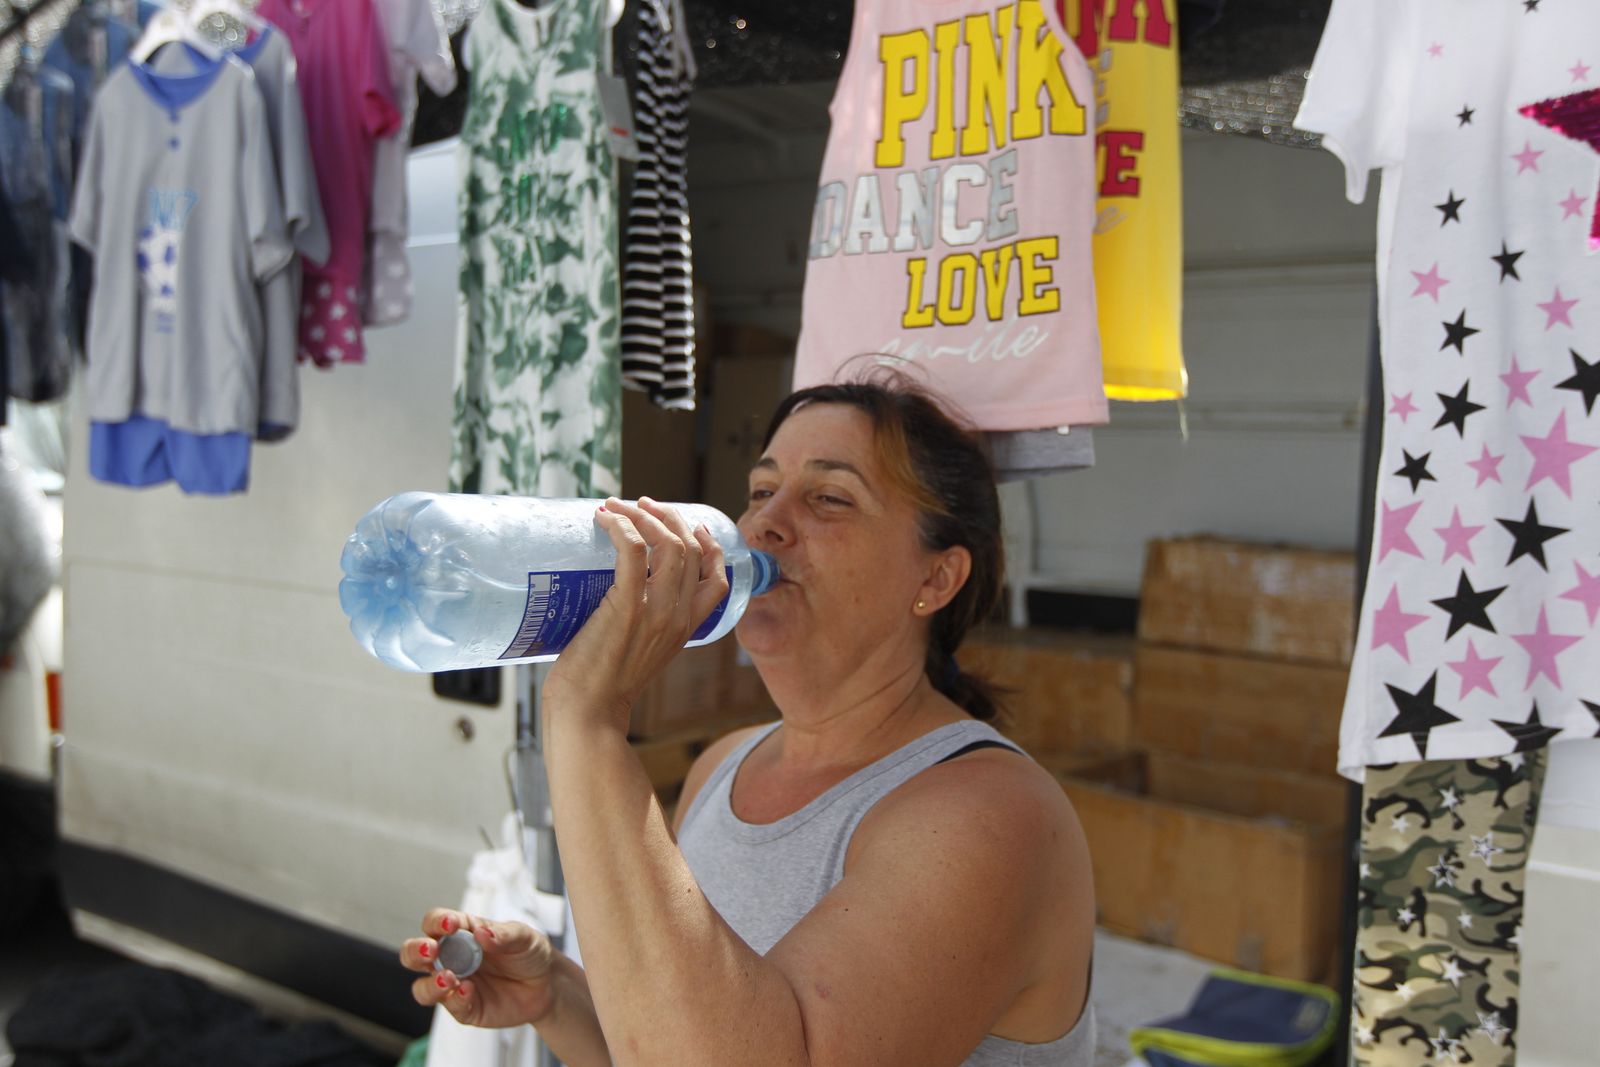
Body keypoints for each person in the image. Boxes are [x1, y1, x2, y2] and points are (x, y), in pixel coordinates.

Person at [400, 374, 1096, 1066]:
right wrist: (556, 994)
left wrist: (588, 719)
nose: (763, 524)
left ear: (935, 579)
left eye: (828, 498)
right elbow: (672, 1045)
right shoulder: (724, 765)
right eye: (762, 490)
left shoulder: (992, 816)